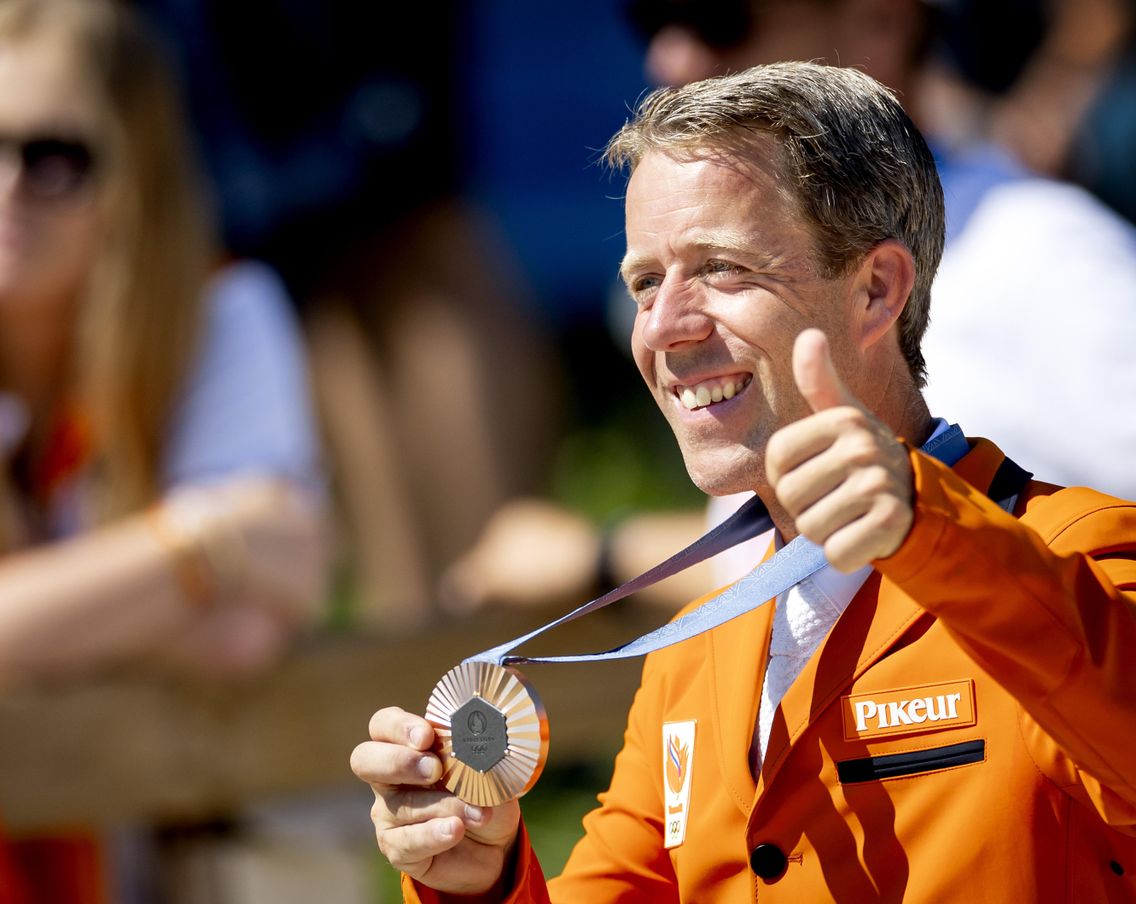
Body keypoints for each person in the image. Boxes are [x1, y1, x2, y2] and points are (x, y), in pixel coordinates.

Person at [350, 62, 1136, 901]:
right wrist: (481, 880)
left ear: (876, 291)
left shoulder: (1080, 550)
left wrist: (925, 525)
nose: (663, 328)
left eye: (723, 269)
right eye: (646, 281)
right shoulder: (701, 647)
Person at [0, 0, 329, 898]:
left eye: (52, 159)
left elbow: (246, 630)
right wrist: (193, 545)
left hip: (162, 837)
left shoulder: (221, 317)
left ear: (135, 183)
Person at [446, 0, 1136, 615]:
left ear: (880, 21)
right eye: (650, 17)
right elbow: (801, 565)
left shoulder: (1048, 254)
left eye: (722, 20)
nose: (672, 57)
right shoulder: (754, 242)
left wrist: (600, 556)